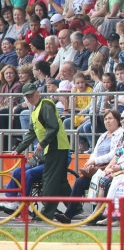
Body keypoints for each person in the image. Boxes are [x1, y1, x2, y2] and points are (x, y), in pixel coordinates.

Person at [11, 83, 71, 220]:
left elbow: (53, 127)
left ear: (38, 92)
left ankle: (46, 214)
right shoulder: (36, 110)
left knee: (49, 180)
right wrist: (18, 149)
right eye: (27, 96)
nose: (30, 98)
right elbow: (31, 133)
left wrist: (42, 143)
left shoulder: (45, 105)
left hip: (56, 147)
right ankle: (75, 207)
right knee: (60, 181)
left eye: (32, 95)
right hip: (53, 148)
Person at [54, 109, 124, 224]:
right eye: (106, 119)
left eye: (110, 118)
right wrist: (90, 162)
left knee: (101, 182)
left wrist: (94, 160)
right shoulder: (103, 135)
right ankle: (68, 215)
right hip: (97, 168)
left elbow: (113, 154)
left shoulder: (121, 134)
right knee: (79, 182)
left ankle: (97, 214)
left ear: (117, 120)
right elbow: (95, 151)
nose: (107, 121)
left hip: (109, 168)